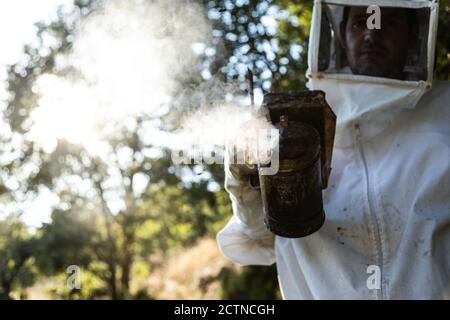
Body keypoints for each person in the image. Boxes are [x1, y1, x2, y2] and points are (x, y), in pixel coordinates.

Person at [217, 0, 450, 299]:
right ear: (339, 33)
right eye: (359, 22)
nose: (371, 34)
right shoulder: (293, 127)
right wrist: (245, 186)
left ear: (412, 34)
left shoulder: (444, 112)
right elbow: (259, 240)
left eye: (389, 22)